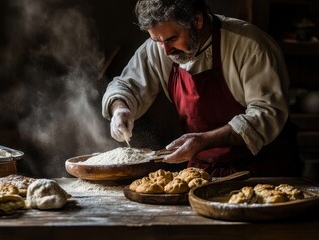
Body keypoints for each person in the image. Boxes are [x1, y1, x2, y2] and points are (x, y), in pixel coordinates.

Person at [101, 0, 302, 177]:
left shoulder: (250, 46)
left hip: (264, 171)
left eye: (172, 39)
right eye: (157, 41)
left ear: (197, 20)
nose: (166, 51)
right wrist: (120, 108)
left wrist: (203, 140)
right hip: (203, 174)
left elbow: (266, 113)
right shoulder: (161, 47)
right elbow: (126, 84)